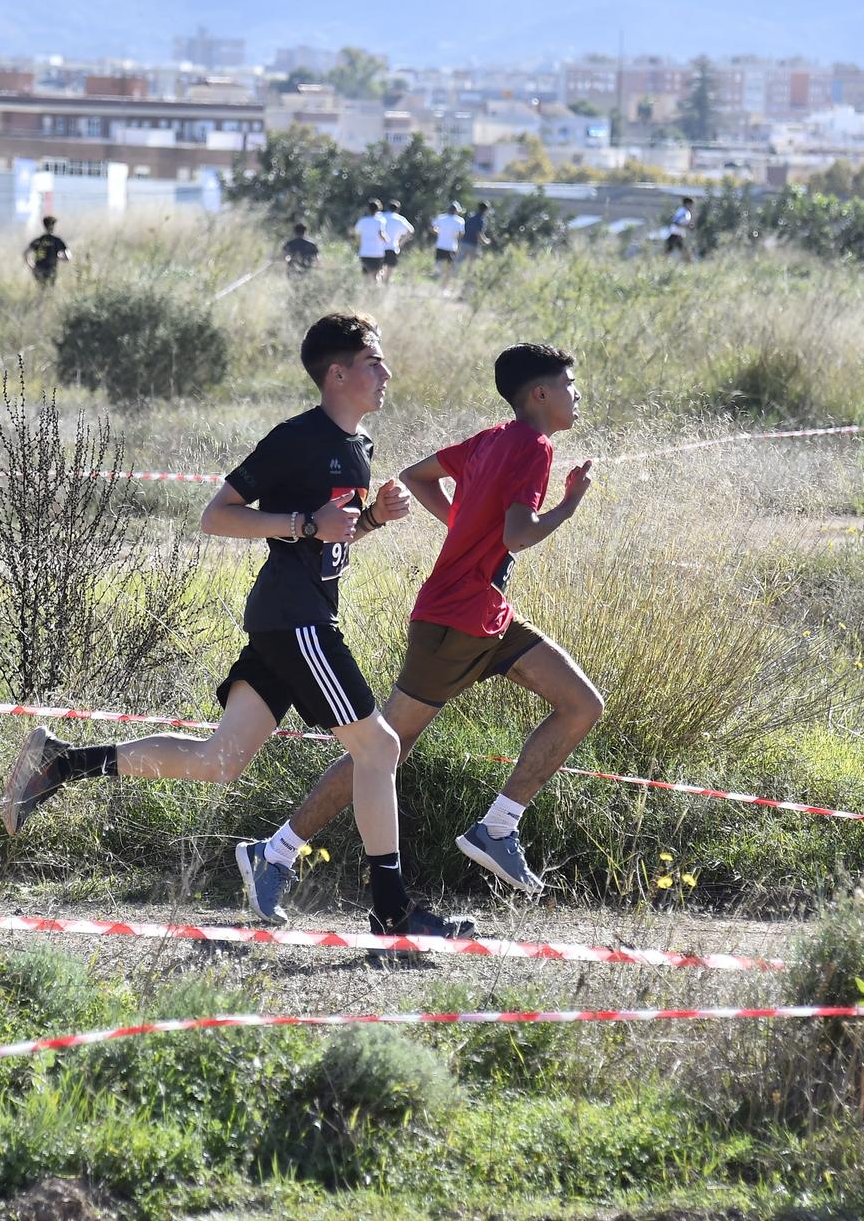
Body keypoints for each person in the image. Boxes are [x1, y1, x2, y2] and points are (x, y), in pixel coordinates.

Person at [0, 313, 473, 940]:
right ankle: (392, 909)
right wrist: (303, 522)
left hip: (291, 620)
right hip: (295, 620)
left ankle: (59, 763)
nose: (387, 373)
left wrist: (374, 517)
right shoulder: (297, 438)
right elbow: (216, 516)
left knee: (220, 760)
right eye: (373, 362)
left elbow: (335, 532)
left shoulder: (359, 447)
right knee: (380, 748)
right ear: (337, 373)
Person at [234, 342, 601, 918]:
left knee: (581, 704)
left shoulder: (491, 438)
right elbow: (518, 537)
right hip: (454, 622)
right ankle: (275, 853)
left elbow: (416, 476)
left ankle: (497, 828)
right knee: (379, 751)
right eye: (570, 384)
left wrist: (466, 528)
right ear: (540, 393)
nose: (577, 395)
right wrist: (570, 504)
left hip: (486, 615)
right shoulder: (533, 447)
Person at [25, 216, 69, 287]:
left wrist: (32, 266)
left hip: (38, 270)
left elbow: (25, 253)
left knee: (41, 290)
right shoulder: (57, 241)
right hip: (51, 271)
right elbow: (68, 257)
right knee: (50, 291)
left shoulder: (39, 240)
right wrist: (58, 256)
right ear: (53, 226)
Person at [379, 199, 415, 283]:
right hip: (392, 247)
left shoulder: (380, 216)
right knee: (390, 269)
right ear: (398, 210)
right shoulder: (400, 219)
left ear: (387, 208)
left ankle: (379, 285)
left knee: (380, 269)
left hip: (379, 247)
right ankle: (386, 285)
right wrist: (400, 243)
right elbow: (411, 231)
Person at [430, 201, 467, 280]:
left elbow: (431, 228)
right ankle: (445, 280)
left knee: (438, 264)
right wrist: (455, 236)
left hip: (440, 245)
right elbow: (461, 234)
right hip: (451, 247)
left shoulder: (441, 217)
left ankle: (437, 278)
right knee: (449, 266)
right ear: (457, 211)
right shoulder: (460, 220)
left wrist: (439, 233)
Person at [354, 200, 389, 279]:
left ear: (368, 209)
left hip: (365, 252)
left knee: (366, 274)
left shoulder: (362, 221)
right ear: (378, 209)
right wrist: (387, 240)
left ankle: (367, 289)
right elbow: (381, 234)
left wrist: (360, 244)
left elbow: (356, 234)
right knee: (376, 274)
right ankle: (375, 289)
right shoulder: (380, 221)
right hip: (377, 252)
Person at [458, 200, 491, 264]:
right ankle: (468, 274)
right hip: (472, 245)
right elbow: (478, 233)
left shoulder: (471, 217)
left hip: (464, 242)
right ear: (486, 210)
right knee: (471, 264)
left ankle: (453, 273)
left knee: (458, 262)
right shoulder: (481, 220)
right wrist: (486, 241)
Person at [663, 195, 694, 260]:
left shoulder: (685, 212)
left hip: (679, 234)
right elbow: (675, 221)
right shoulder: (683, 212)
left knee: (670, 249)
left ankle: (688, 262)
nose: (691, 206)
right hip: (676, 233)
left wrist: (688, 226)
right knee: (670, 249)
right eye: (690, 204)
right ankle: (688, 262)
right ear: (686, 204)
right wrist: (687, 226)